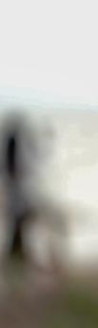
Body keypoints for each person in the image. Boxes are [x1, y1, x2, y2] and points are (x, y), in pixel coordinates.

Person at [2, 113, 36, 268]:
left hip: (15, 185)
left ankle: (17, 249)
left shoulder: (11, 143)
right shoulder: (13, 143)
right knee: (18, 217)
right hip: (16, 185)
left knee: (18, 219)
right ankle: (17, 250)